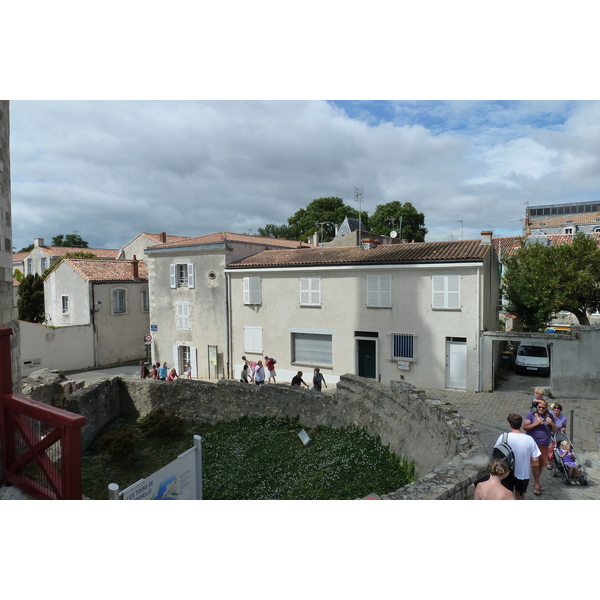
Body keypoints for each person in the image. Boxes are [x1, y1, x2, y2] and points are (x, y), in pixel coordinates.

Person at [493, 413, 541, 500]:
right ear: (521, 424)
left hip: (506, 472)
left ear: (510, 424)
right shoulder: (529, 439)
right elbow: (535, 459)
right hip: (523, 473)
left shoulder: (503, 437)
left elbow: (495, 454)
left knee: (507, 495)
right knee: (520, 496)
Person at [523, 399, 557, 495]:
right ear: (536, 407)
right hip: (533, 443)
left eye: (543, 407)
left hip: (544, 443)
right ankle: (537, 484)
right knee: (535, 464)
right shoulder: (531, 415)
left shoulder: (549, 416)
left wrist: (552, 423)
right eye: (539, 407)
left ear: (546, 408)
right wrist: (536, 423)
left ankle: (536, 481)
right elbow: (525, 427)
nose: (541, 409)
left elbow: (555, 430)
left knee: (541, 464)